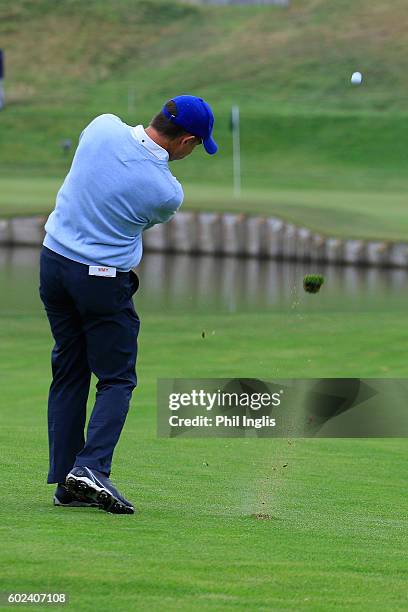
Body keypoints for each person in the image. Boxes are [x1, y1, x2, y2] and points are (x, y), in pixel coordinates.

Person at [39, 95, 217, 514]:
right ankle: (92, 468)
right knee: (117, 378)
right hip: (100, 281)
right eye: (195, 146)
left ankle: (68, 481)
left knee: (69, 370)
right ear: (186, 140)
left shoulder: (101, 125)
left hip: (52, 265)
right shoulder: (166, 191)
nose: (191, 153)